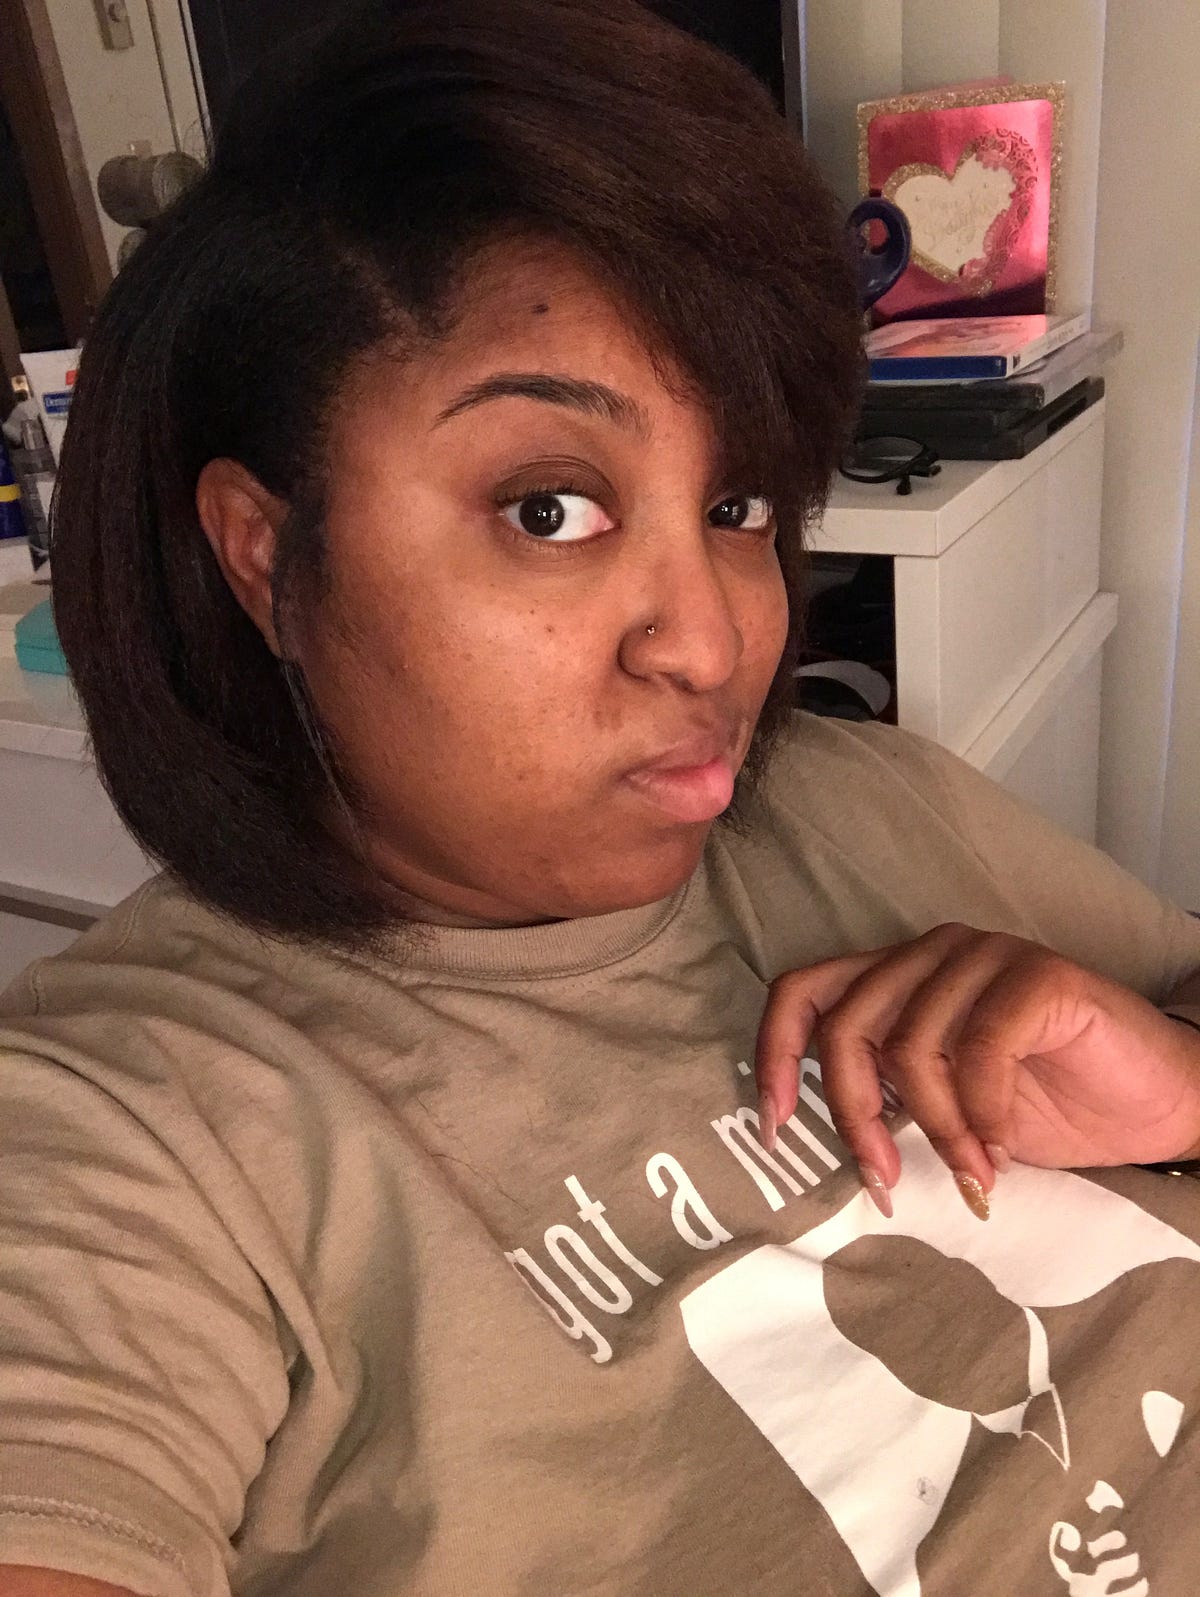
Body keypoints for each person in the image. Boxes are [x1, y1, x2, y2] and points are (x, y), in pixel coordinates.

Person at [1, 3, 1199, 1594]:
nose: (714, 638)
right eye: (549, 508)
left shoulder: (859, 802)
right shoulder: (134, 1125)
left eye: (737, 502)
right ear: (266, 554)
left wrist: (1187, 1083)